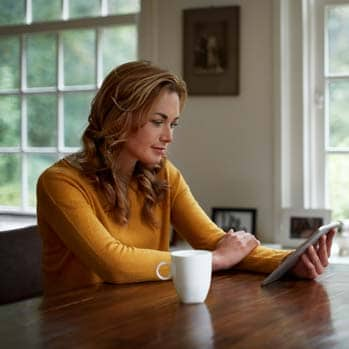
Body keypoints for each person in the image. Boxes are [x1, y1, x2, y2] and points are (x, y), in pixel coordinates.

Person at [37, 60, 335, 295]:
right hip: (73, 329)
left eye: (173, 124)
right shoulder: (60, 183)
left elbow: (215, 241)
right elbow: (114, 264)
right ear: (120, 118)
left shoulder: (163, 174)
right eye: (158, 122)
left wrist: (289, 264)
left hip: (142, 317)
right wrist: (213, 261)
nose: (169, 136)